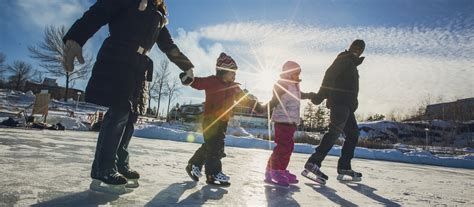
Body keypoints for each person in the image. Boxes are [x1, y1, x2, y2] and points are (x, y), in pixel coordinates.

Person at [62, 0, 195, 194]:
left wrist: (187, 66)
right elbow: (98, 12)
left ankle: (120, 163)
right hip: (118, 56)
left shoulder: (157, 14)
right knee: (119, 111)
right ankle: (103, 168)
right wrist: (75, 38)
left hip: (140, 66)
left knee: (132, 115)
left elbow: (168, 46)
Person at [186, 52, 263, 186]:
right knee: (215, 148)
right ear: (223, 71)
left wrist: (260, 108)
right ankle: (213, 173)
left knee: (212, 146)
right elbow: (197, 82)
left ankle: (194, 164)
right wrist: (188, 79)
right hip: (210, 120)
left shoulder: (234, 88)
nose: (235, 75)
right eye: (232, 72)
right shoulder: (212, 81)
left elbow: (246, 100)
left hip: (223, 122)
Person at [302, 39, 366, 184]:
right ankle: (313, 163)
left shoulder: (352, 64)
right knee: (334, 132)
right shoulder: (344, 59)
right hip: (339, 103)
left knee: (353, 134)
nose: (357, 49)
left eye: (360, 48)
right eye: (355, 46)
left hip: (348, 107)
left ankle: (344, 167)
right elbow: (329, 75)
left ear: (362, 51)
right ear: (350, 47)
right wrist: (320, 95)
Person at [264, 61, 316, 187]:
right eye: (295, 73)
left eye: (299, 73)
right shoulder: (283, 84)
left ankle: (279, 169)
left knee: (288, 147)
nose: (298, 75)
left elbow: (299, 95)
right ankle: (274, 171)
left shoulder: (295, 86)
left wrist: (310, 95)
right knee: (282, 147)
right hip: (282, 121)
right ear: (288, 74)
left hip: (290, 122)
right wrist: (262, 107)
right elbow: (275, 97)